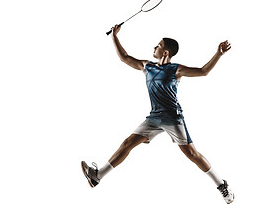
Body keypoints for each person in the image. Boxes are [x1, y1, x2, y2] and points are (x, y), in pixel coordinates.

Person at [81, 25, 235, 203]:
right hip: (154, 118)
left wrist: (218, 54)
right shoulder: (147, 66)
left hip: (172, 118)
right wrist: (114, 36)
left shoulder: (176, 70)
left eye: (158, 45)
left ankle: (221, 185)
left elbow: (203, 71)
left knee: (192, 154)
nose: (155, 47)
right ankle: (97, 175)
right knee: (127, 143)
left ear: (166, 52)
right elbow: (124, 58)